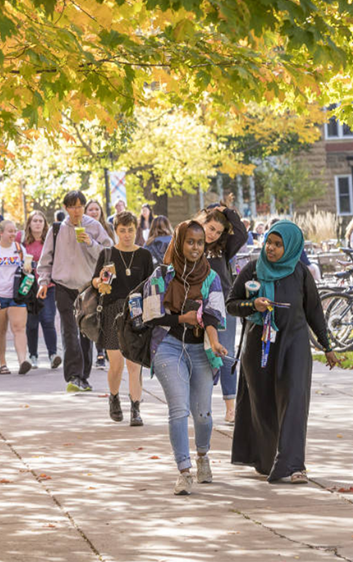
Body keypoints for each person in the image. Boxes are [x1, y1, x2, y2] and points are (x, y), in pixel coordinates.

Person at [228, 221, 342, 483]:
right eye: (269, 242)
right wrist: (252, 304)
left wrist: (327, 347)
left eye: (278, 244)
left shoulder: (300, 273)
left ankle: (293, 464)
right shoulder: (253, 270)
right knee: (264, 403)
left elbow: (315, 312)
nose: (271, 248)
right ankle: (269, 460)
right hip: (259, 349)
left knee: (294, 402)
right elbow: (232, 304)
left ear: (290, 246)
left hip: (295, 346)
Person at [141, 220, 228, 495]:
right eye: (190, 241)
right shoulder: (161, 276)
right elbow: (150, 315)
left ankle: (203, 456)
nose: (195, 247)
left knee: (202, 415)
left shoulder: (211, 277)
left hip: (201, 349)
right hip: (168, 346)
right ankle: (184, 470)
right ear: (179, 243)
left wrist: (214, 342)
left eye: (200, 243)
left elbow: (214, 316)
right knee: (179, 409)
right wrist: (182, 317)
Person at [37, 190, 112, 392]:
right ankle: (72, 376)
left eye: (80, 206)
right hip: (63, 286)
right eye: (72, 206)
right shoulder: (57, 229)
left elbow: (108, 252)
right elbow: (46, 259)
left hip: (87, 287)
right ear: (66, 208)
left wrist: (90, 243)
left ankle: (84, 376)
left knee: (85, 331)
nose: (76, 211)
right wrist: (43, 282)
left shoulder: (94, 226)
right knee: (69, 331)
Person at [92, 211, 154, 425]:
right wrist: (99, 282)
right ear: (116, 231)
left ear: (136, 230)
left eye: (130, 230)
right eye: (122, 230)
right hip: (112, 311)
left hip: (136, 311)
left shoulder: (144, 255)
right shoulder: (107, 254)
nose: (127, 235)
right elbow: (95, 281)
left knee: (134, 364)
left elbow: (151, 286)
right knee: (116, 364)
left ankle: (135, 408)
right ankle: (114, 396)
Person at [195, 204, 247, 423]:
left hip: (223, 306)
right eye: (210, 228)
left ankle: (231, 408)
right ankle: (201, 408)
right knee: (200, 357)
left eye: (217, 231)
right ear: (203, 222)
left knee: (224, 355)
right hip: (196, 307)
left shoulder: (223, 247)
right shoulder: (190, 242)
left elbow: (242, 233)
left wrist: (226, 210)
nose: (213, 234)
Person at [0, 220, 33, 375]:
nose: (14, 234)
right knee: (0, 331)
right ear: (0, 233)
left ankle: (23, 361)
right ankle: (2, 363)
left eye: (15, 231)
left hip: (16, 296)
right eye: (10, 231)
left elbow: (25, 271)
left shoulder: (19, 248)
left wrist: (28, 269)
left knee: (19, 328)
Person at [19, 210, 60, 369]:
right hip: (29, 286)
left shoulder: (50, 241)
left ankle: (53, 354)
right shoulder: (22, 243)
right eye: (34, 220)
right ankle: (33, 355)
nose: (37, 223)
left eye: (40, 221)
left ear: (45, 224)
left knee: (48, 319)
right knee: (31, 323)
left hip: (48, 286)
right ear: (29, 224)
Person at [86, 199, 117, 368]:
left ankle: (105, 349)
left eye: (96, 209)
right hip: (89, 274)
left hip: (106, 273)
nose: (93, 212)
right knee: (92, 313)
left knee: (105, 312)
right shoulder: (82, 229)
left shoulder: (107, 228)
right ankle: (98, 350)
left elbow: (112, 248)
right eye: (90, 209)